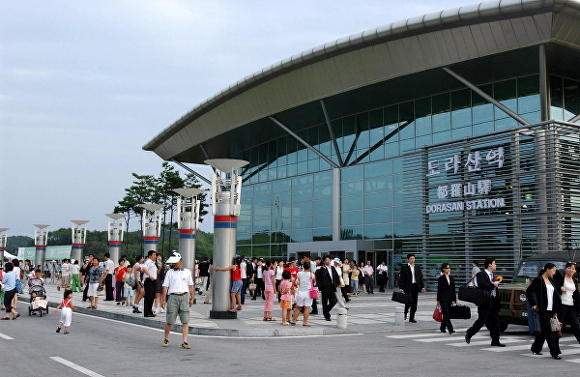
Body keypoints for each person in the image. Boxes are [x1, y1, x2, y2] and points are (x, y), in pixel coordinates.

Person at [465, 257, 505, 347]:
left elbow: (495, 289)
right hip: (485, 301)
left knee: (496, 321)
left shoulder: (493, 275)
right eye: (494, 263)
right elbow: (482, 285)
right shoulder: (481, 274)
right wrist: (492, 285)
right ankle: (469, 333)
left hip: (494, 301)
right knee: (482, 320)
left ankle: (495, 340)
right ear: (489, 264)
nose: (496, 265)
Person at [526, 262, 562, 359]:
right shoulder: (539, 280)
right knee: (549, 332)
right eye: (553, 270)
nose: (554, 273)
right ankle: (554, 353)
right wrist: (533, 304)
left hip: (551, 309)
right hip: (543, 309)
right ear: (547, 269)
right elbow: (529, 291)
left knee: (543, 332)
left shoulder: (550, 280)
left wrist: (555, 310)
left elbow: (554, 296)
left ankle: (535, 348)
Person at [161, 252, 194, 349]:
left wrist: (192, 298)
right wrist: (163, 300)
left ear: (180, 261)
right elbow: (165, 287)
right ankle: (166, 338)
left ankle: (185, 341)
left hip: (184, 296)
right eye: (172, 263)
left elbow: (191, 286)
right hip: (173, 297)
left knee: (185, 320)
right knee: (169, 320)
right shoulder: (170, 272)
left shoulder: (187, 272)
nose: (173, 264)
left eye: (175, 262)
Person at [553, 262, 580, 344]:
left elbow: (575, 295)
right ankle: (555, 350)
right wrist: (560, 287)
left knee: (576, 326)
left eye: (573, 268)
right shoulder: (561, 278)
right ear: (565, 269)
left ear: (575, 271)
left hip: (571, 306)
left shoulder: (574, 281)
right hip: (562, 306)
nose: (571, 270)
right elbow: (554, 287)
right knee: (559, 328)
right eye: (569, 268)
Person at [398, 253, 425, 322]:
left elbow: (420, 277)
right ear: (408, 259)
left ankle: (411, 317)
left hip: (415, 286)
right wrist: (401, 287)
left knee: (414, 303)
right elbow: (402, 278)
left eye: (413, 258)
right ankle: (405, 312)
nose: (413, 260)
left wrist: (422, 286)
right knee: (409, 300)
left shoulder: (417, 267)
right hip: (408, 286)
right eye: (411, 258)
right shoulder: (404, 267)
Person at [315, 255, 340, 321]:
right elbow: (317, 274)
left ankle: (326, 311)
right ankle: (327, 315)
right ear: (324, 261)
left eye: (329, 260)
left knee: (334, 301)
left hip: (332, 286)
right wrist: (320, 268)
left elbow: (336, 276)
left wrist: (338, 283)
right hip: (325, 287)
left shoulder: (332, 268)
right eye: (326, 260)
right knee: (324, 302)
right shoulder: (322, 268)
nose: (328, 261)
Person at [291, 260, 314, 326]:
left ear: (303, 266)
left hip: (300, 291)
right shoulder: (311, 274)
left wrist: (293, 287)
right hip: (308, 292)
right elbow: (314, 280)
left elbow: (294, 280)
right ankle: (305, 322)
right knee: (307, 308)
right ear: (309, 266)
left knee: (298, 307)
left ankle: (294, 320)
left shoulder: (299, 273)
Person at [436, 263, 456, 334]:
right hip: (443, 298)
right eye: (447, 268)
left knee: (447, 313)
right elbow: (439, 290)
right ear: (443, 269)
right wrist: (438, 300)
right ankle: (450, 329)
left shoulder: (451, 277)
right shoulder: (441, 278)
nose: (449, 269)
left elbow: (453, 289)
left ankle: (442, 327)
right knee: (446, 313)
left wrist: (454, 299)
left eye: (449, 268)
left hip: (450, 298)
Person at [142, 250, 158, 317]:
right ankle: (146, 312)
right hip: (149, 280)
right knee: (148, 296)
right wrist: (149, 275)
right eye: (154, 255)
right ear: (150, 256)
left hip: (153, 281)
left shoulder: (153, 263)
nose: (155, 256)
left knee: (152, 297)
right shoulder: (148, 261)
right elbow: (144, 268)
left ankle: (150, 311)